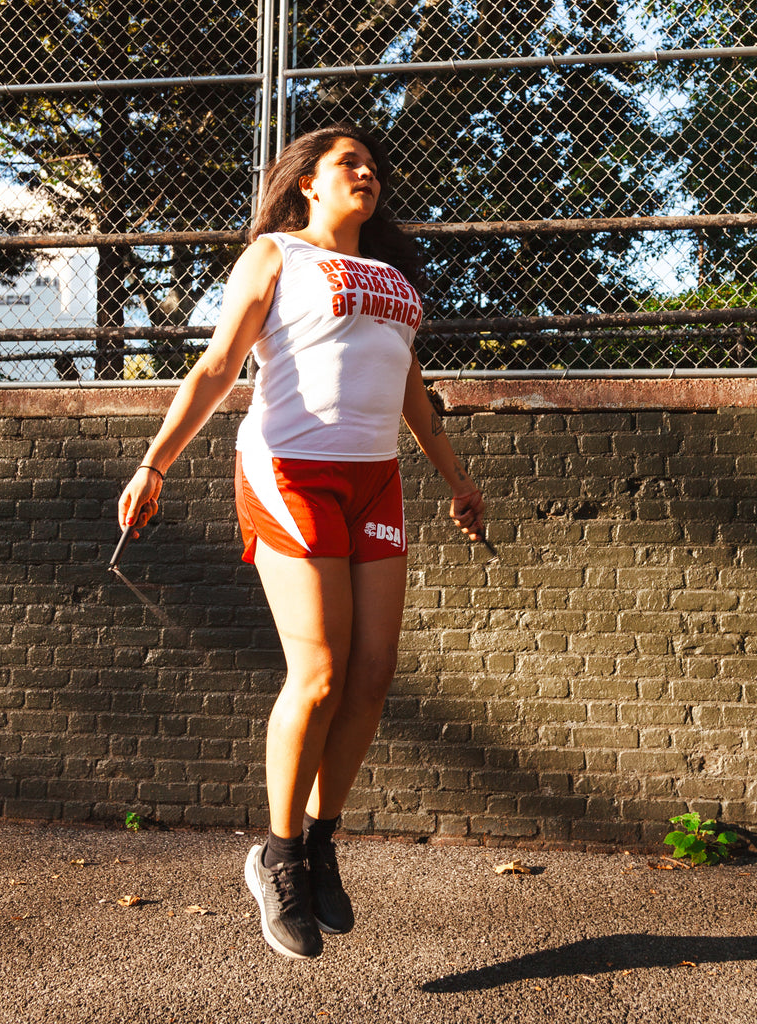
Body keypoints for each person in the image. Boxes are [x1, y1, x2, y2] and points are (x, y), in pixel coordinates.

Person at [117, 122, 486, 960]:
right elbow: (217, 366)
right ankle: (276, 857)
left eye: (371, 165)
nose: (365, 172)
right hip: (290, 471)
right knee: (317, 672)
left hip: (375, 480)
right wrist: (155, 464)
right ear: (308, 184)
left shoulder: (393, 278)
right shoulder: (277, 255)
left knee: (374, 673)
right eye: (345, 163)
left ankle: (322, 841)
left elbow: (412, 395)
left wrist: (457, 480)